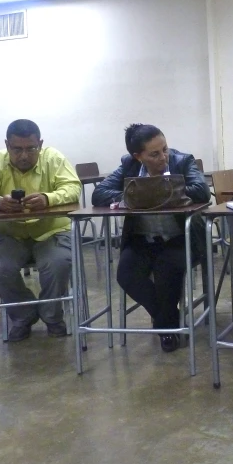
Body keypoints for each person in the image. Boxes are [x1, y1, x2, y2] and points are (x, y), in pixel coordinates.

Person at [91, 124, 210, 353]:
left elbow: (201, 190)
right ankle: (167, 318)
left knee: (167, 269)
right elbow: (99, 194)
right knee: (126, 274)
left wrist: (160, 191)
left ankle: (167, 329)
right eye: (154, 154)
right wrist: (132, 194)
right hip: (142, 239)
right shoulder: (129, 165)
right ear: (138, 156)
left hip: (179, 238)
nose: (163, 157)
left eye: (165, 149)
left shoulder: (182, 161)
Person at [0, 119, 82, 342]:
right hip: (10, 235)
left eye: (31, 149)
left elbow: (73, 187)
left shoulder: (54, 158)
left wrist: (48, 199)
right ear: (7, 145)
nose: (24, 156)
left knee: (58, 264)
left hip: (51, 232)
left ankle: (52, 316)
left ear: (40, 144)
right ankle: (24, 314)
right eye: (17, 149)